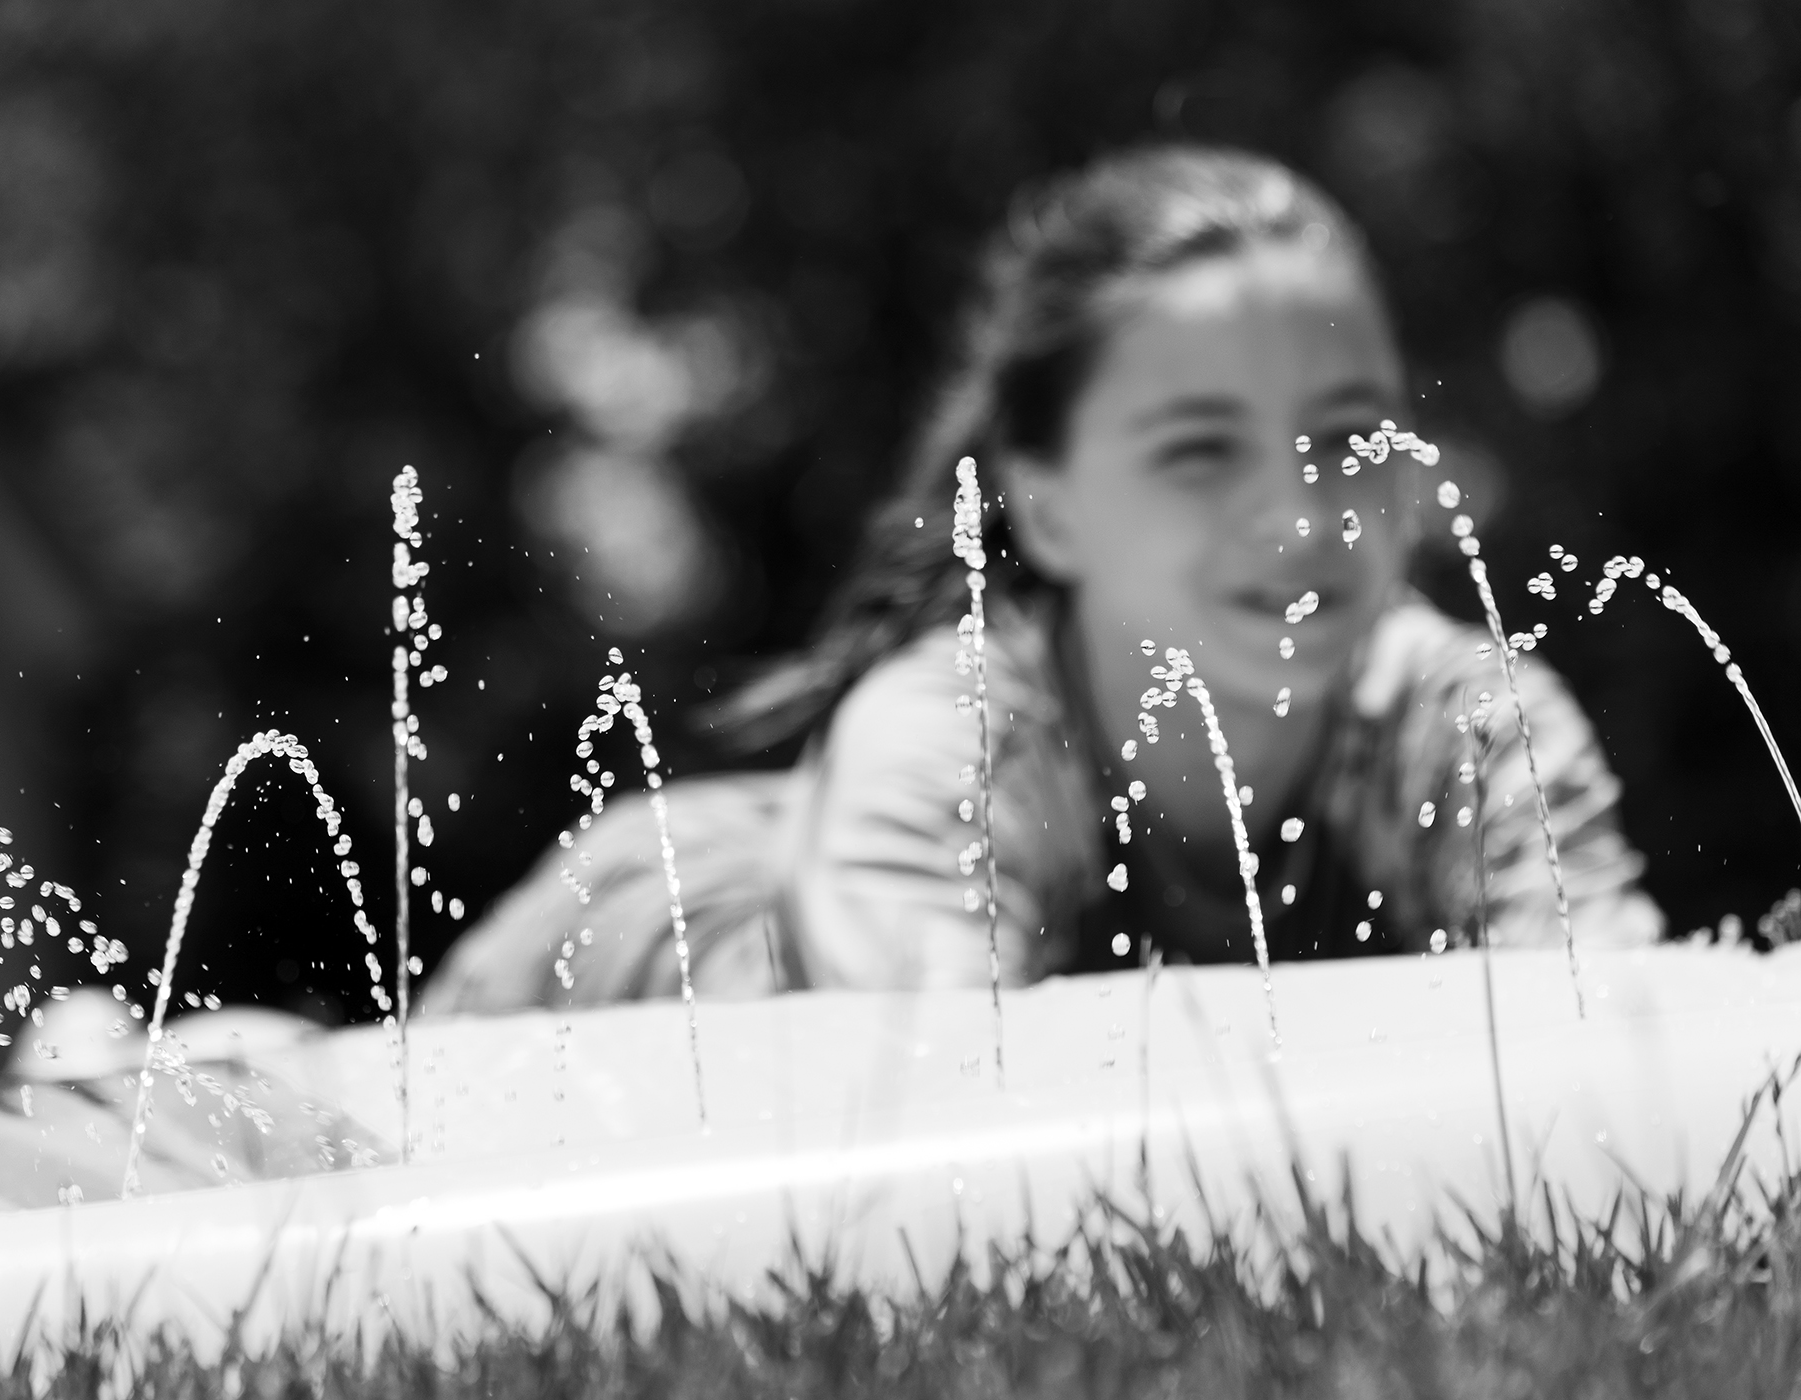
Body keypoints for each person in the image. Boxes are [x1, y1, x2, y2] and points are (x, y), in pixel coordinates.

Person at [422, 144, 1661, 1015]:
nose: (1298, 516)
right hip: (623, 956)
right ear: (1047, 505)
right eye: (1199, 450)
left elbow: (1625, 1059)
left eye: (1346, 437)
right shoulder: (954, 742)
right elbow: (930, 1155)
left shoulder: (1457, 725)